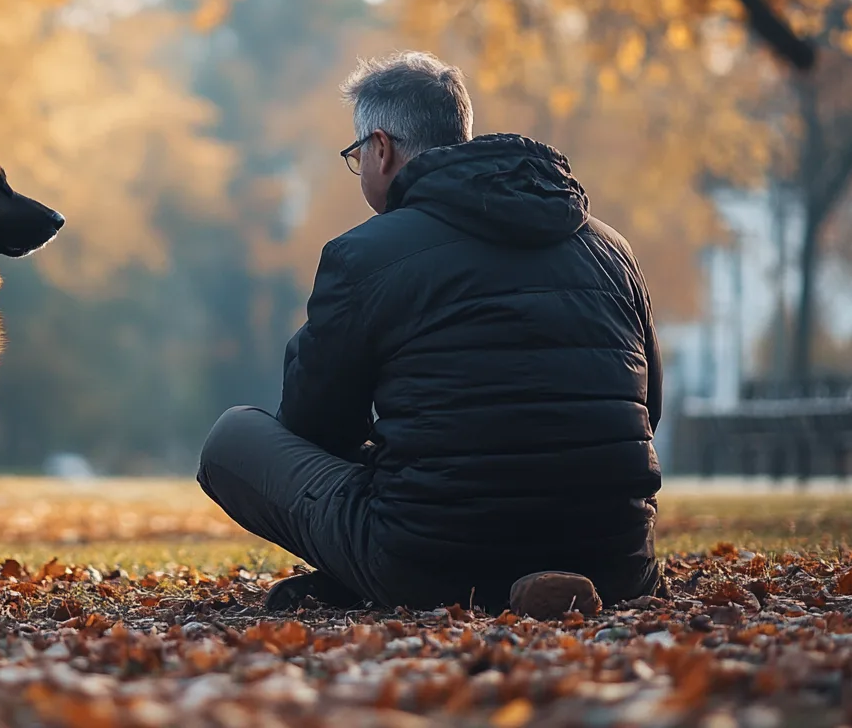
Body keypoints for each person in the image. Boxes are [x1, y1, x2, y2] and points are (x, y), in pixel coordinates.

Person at [196, 51, 665, 617]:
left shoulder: (365, 254)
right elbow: (649, 409)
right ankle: (542, 575)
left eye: (356, 155)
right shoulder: (611, 248)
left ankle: (382, 577)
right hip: (616, 558)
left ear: (381, 149)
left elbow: (314, 427)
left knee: (231, 438)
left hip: (433, 563)